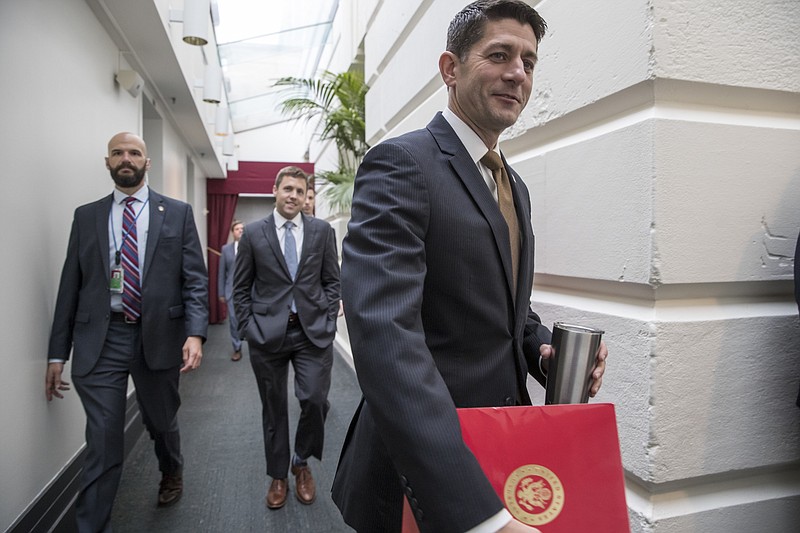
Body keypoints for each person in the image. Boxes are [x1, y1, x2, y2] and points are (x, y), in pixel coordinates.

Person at [331, 2, 607, 532]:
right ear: (450, 68)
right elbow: (386, 339)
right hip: (427, 474)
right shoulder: (400, 164)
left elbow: (507, 308)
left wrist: (543, 351)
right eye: (499, 54)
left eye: (529, 61)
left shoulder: (513, 185)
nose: (517, 73)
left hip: (504, 449)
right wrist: (479, 515)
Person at [45, 132, 208, 532]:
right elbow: (71, 285)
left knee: (161, 421)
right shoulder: (87, 216)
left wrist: (195, 333)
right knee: (103, 441)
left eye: (134, 152)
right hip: (102, 341)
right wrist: (56, 354)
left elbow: (195, 280)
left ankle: (171, 468)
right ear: (108, 163)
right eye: (117, 153)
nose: (126, 158)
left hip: (158, 337)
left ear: (146, 162)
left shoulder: (177, 212)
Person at [233, 166, 340, 510]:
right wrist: (249, 328)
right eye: (288, 189)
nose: (294, 195)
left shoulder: (322, 231)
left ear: (306, 195)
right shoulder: (252, 233)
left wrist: (328, 318)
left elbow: (332, 280)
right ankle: (278, 474)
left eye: (300, 190)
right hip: (267, 335)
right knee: (273, 408)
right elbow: (240, 288)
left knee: (313, 399)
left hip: (312, 333)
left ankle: (301, 460)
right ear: (275, 190)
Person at [218, 219, 245, 361]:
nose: (240, 231)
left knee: (251, 320)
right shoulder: (226, 249)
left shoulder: (251, 247)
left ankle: (257, 347)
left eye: (242, 228)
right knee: (234, 321)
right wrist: (221, 292)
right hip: (232, 291)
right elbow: (222, 272)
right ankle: (237, 347)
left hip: (250, 291)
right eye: (237, 229)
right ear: (232, 232)